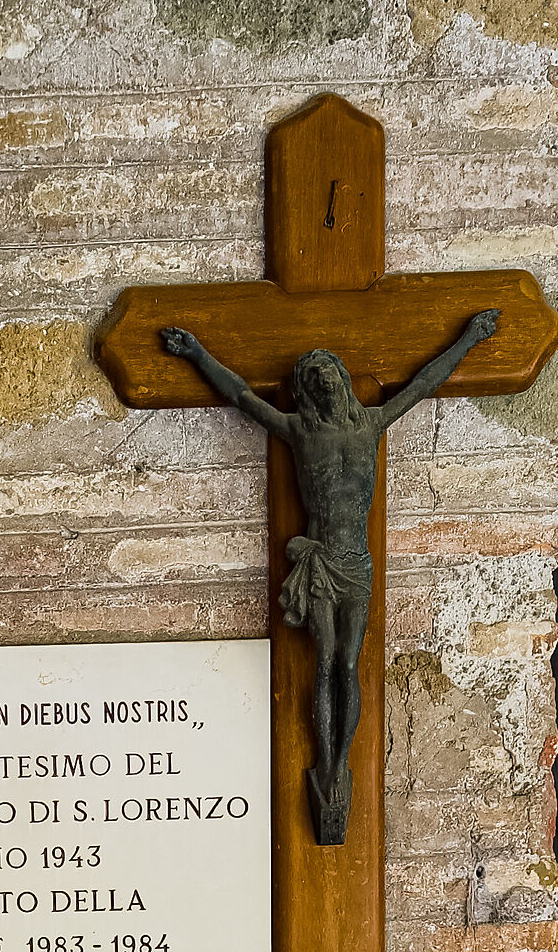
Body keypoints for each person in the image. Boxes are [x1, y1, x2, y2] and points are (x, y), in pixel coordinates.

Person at [160, 310, 500, 844]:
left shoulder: (372, 423)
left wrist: (471, 339)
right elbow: (245, 399)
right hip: (319, 564)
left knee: (349, 663)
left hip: (355, 564)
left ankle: (341, 763)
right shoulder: (298, 430)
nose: (324, 387)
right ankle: (327, 767)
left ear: (341, 382)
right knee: (324, 663)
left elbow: (427, 381)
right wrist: (198, 354)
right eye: (314, 382)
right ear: (308, 393)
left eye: (330, 378)